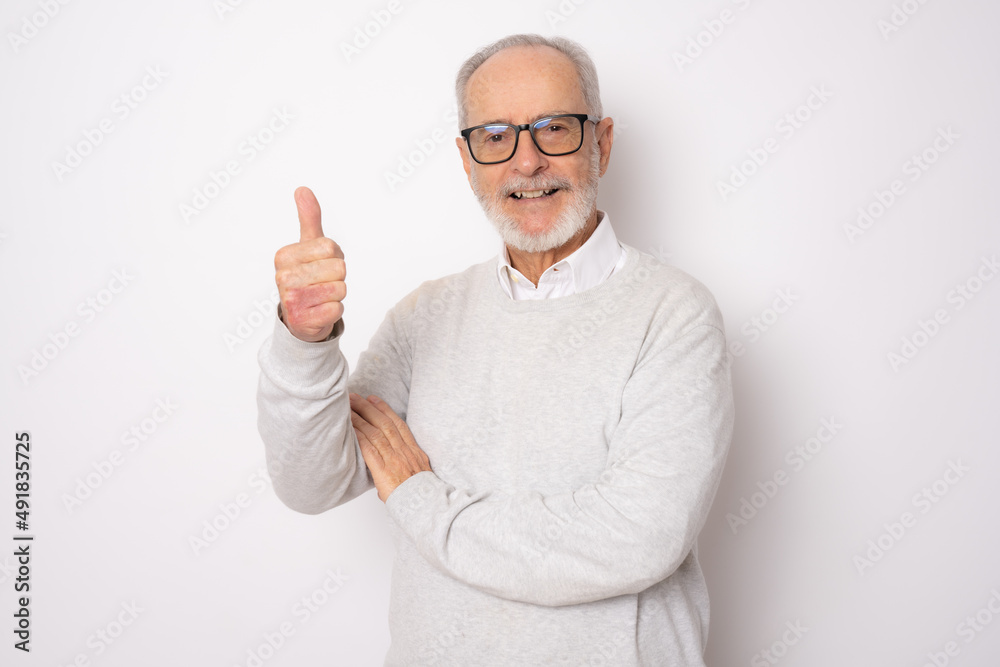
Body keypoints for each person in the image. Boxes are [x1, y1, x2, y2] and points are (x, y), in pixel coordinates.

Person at [257, 33, 734, 666]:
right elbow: (312, 484)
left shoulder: (674, 314)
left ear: (602, 142)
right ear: (467, 159)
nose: (526, 161)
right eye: (495, 136)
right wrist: (306, 343)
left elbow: (635, 537)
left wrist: (423, 501)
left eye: (554, 128)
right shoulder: (423, 317)